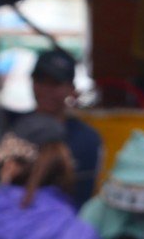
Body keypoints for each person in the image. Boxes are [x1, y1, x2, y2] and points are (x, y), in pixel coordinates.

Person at [25, 48, 104, 205]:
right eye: (41, 80)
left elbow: (84, 197)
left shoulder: (88, 140)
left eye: (55, 83)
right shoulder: (14, 130)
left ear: (71, 89)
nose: (46, 90)